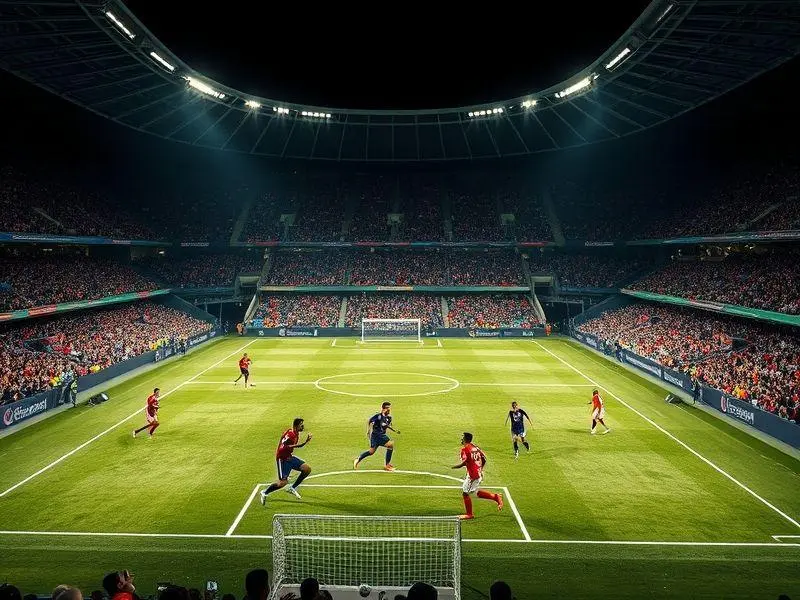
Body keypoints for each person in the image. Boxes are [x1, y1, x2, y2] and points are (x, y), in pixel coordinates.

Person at [451, 432, 502, 520]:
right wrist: (480, 468)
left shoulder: (465, 449)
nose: (461, 439)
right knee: (473, 492)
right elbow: (484, 458)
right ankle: (495, 497)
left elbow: (465, 462)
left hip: (473, 476)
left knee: (465, 493)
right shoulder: (475, 447)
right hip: (477, 473)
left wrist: (456, 466)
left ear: (465, 439)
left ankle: (469, 514)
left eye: (462, 437)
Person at [261, 418, 313, 503]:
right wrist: (304, 443)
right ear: (296, 426)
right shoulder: (291, 435)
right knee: (283, 483)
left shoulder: (293, 432)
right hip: (282, 459)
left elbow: (283, 440)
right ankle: (265, 492)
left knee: (307, 469)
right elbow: (283, 447)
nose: (303, 426)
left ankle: (292, 488)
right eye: (301, 425)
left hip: (289, 457)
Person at [354, 401, 400, 471]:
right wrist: (368, 430)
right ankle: (387, 465)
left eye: (389, 408)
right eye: (387, 408)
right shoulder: (379, 416)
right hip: (377, 435)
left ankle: (358, 459)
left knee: (371, 451)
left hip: (378, 436)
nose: (389, 409)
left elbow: (387, 425)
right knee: (390, 445)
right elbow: (370, 420)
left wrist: (394, 430)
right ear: (383, 409)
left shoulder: (389, 418)